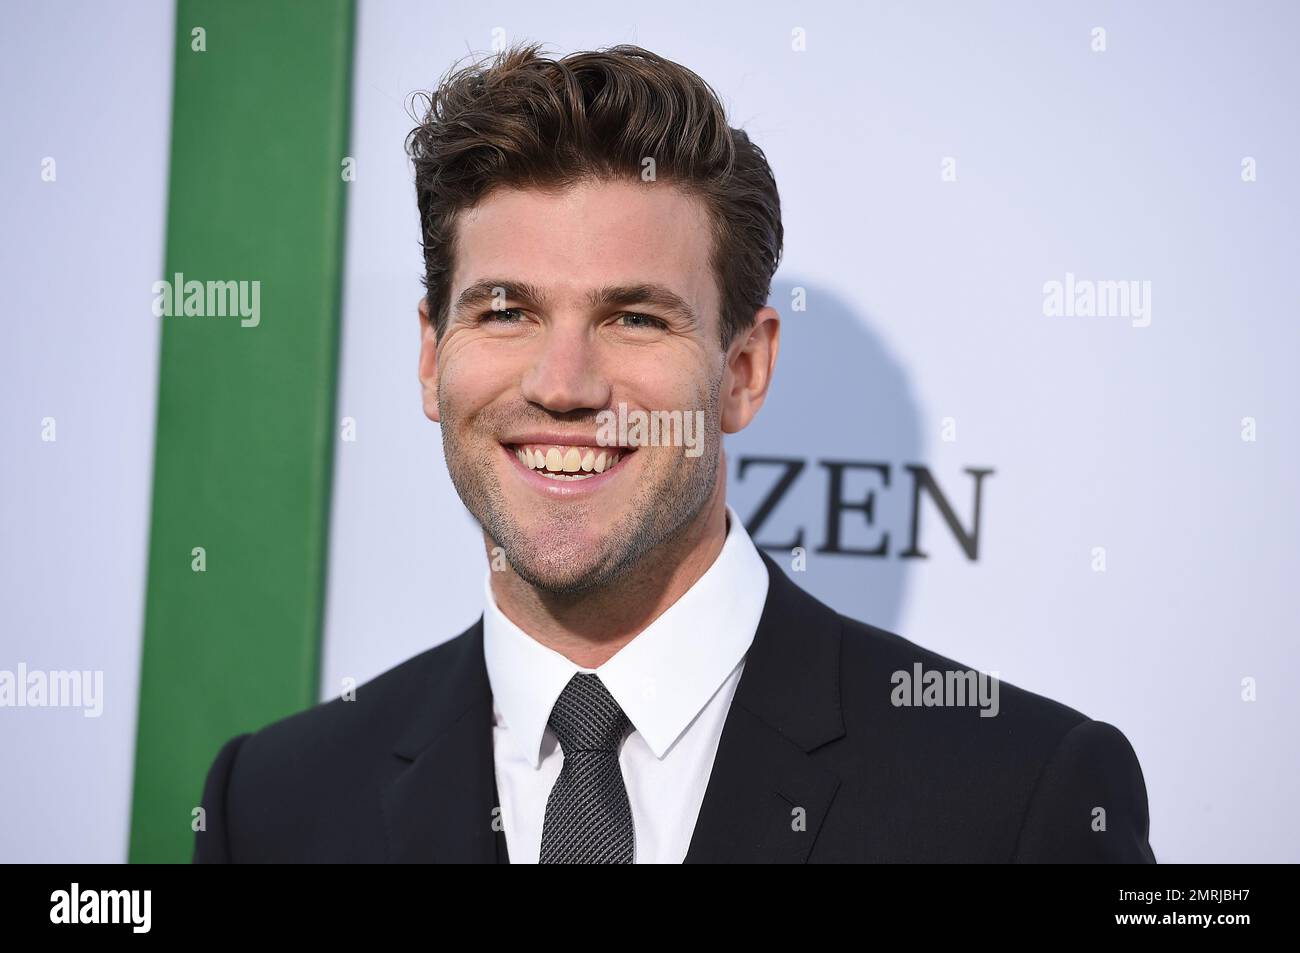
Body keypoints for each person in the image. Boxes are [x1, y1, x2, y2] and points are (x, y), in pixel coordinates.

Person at [194, 42, 1155, 863]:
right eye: (506, 311)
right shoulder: (276, 804)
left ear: (743, 370)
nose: (562, 383)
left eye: (635, 316)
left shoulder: (1019, 796)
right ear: (429, 353)